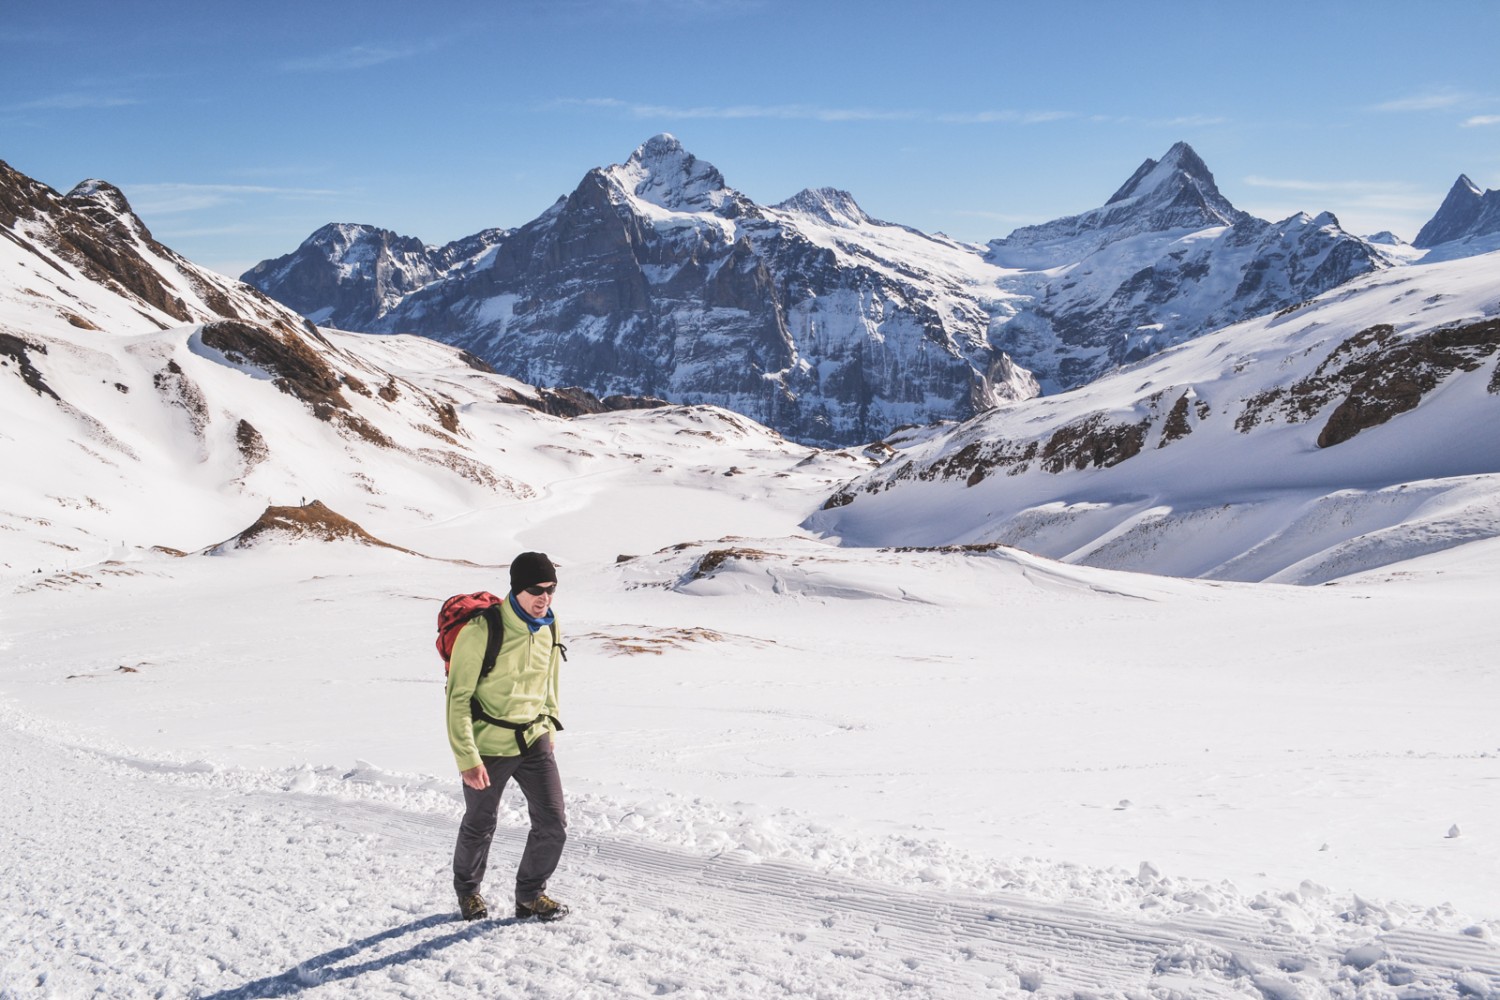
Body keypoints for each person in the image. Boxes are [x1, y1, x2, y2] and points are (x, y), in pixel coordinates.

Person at [447, 551, 569, 922]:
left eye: (551, 589)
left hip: (534, 739)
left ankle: (530, 895)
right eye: (536, 589)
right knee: (481, 824)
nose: (544, 598)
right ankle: (468, 892)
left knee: (553, 824)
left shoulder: (550, 625)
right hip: (488, 746)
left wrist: (548, 724)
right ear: (516, 588)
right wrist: (467, 757)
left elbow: (550, 681)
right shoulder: (482, 631)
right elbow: (458, 698)